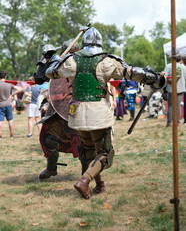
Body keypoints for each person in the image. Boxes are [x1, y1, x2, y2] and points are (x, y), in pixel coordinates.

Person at [46, 27, 166, 199]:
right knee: (104, 153)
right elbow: (132, 72)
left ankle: (100, 185)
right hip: (97, 113)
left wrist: (55, 61)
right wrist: (153, 77)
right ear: (100, 44)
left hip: (77, 113)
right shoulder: (107, 61)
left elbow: (51, 73)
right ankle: (84, 180)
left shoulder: (71, 61)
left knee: (88, 150)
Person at [34, 41, 80, 180]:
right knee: (50, 139)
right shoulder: (60, 64)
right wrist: (45, 61)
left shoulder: (86, 63)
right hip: (60, 108)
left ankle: (88, 172)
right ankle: (51, 168)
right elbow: (40, 79)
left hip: (81, 108)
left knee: (86, 141)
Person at [164, 53, 186, 127]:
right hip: (180, 88)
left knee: (170, 106)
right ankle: (178, 122)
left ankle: (169, 123)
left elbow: (165, 77)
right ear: (180, 59)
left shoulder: (168, 66)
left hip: (171, 88)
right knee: (178, 106)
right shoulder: (183, 67)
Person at [0, 71, 22, 139]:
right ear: (5, 77)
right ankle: (12, 135)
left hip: (0, 104)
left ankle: (0, 136)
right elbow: (19, 89)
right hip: (8, 104)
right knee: (10, 120)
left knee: (0, 121)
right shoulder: (9, 85)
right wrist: (12, 95)